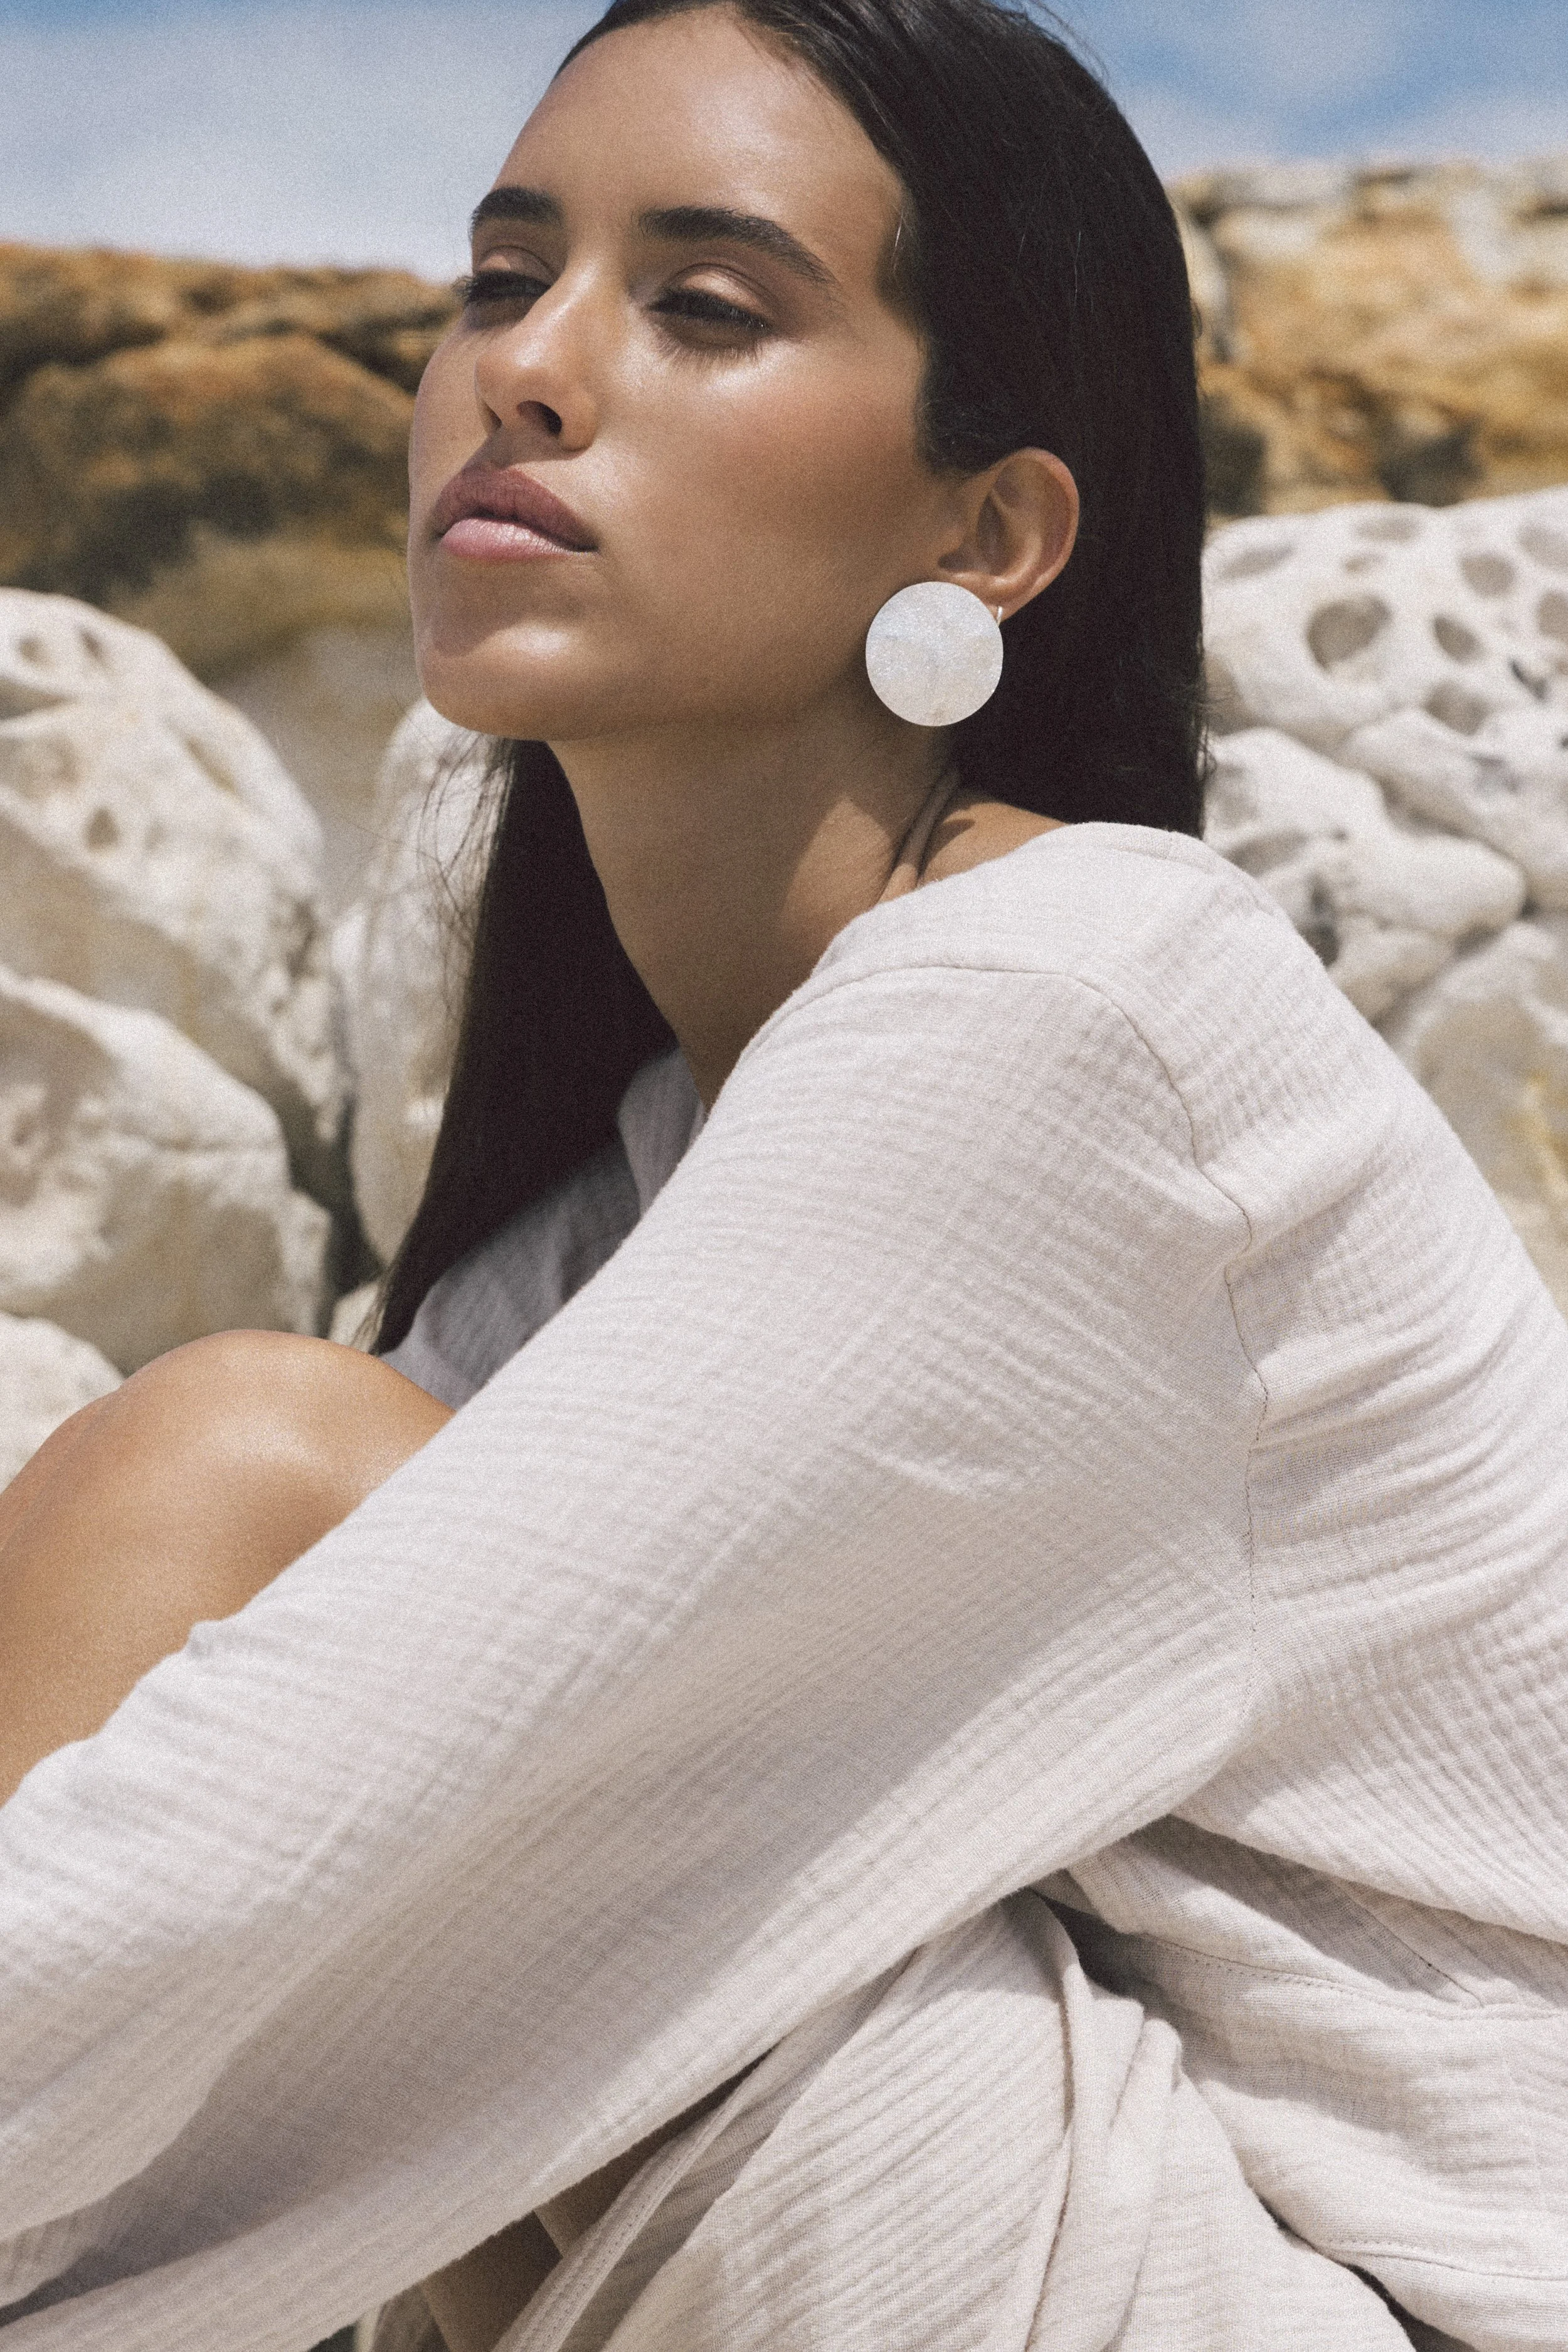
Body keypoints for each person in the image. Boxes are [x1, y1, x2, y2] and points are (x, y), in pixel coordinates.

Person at [0, 1, 1563, 2347]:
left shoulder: (1070, 1013)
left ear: (990, 529)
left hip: (1361, 2290)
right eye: (498, 276)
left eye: (703, 304)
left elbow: (226, 1855)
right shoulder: (622, 1203)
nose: (526, 369)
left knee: (243, 1465)